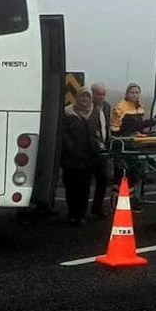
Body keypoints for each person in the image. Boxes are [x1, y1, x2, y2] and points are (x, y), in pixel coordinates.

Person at [60, 89, 100, 226]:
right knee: (71, 187)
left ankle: (81, 215)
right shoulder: (67, 112)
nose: (84, 99)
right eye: (82, 96)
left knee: (85, 187)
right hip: (71, 158)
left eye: (87, 97)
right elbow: (63, 134)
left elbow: (98, 132)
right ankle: (72, 213)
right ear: (76, 97)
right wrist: (72, 149)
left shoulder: (94, 112)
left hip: (88, 158)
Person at [88, 82, 112, 217]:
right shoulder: (90, 108)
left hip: (103, 148)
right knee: (86, 182)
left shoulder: (107, 107)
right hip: (91, 149)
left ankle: (97, 208)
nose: (101, 97)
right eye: (98, 94)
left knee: (103, 180)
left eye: (103, 94)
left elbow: (107, 125)